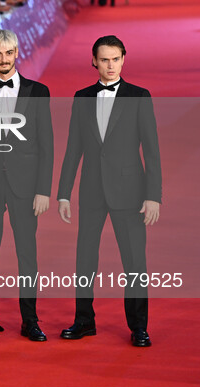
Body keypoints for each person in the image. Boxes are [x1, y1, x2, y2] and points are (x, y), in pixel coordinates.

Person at [57, 35, 161, 347]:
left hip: (130, 191)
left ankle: (139, 327)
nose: (110, 65)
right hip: (91, 189)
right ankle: (84, 321)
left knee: (134, 262)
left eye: (115, 59)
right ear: (94, 62)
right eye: (104, 59)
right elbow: (73, 147)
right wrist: (63, 192)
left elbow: (152, 150)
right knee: (85, 259)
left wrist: (153, 195)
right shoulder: (82, 97)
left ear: (123, 59)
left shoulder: (139, 96)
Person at [0, 29, 53, 341]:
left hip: (26, 186)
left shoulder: (39, 91)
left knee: (27, 255)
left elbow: (46, 144)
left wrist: (43, 190)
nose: (4, 60)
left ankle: (30, 320)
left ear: (17, 53)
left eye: (8, 53)